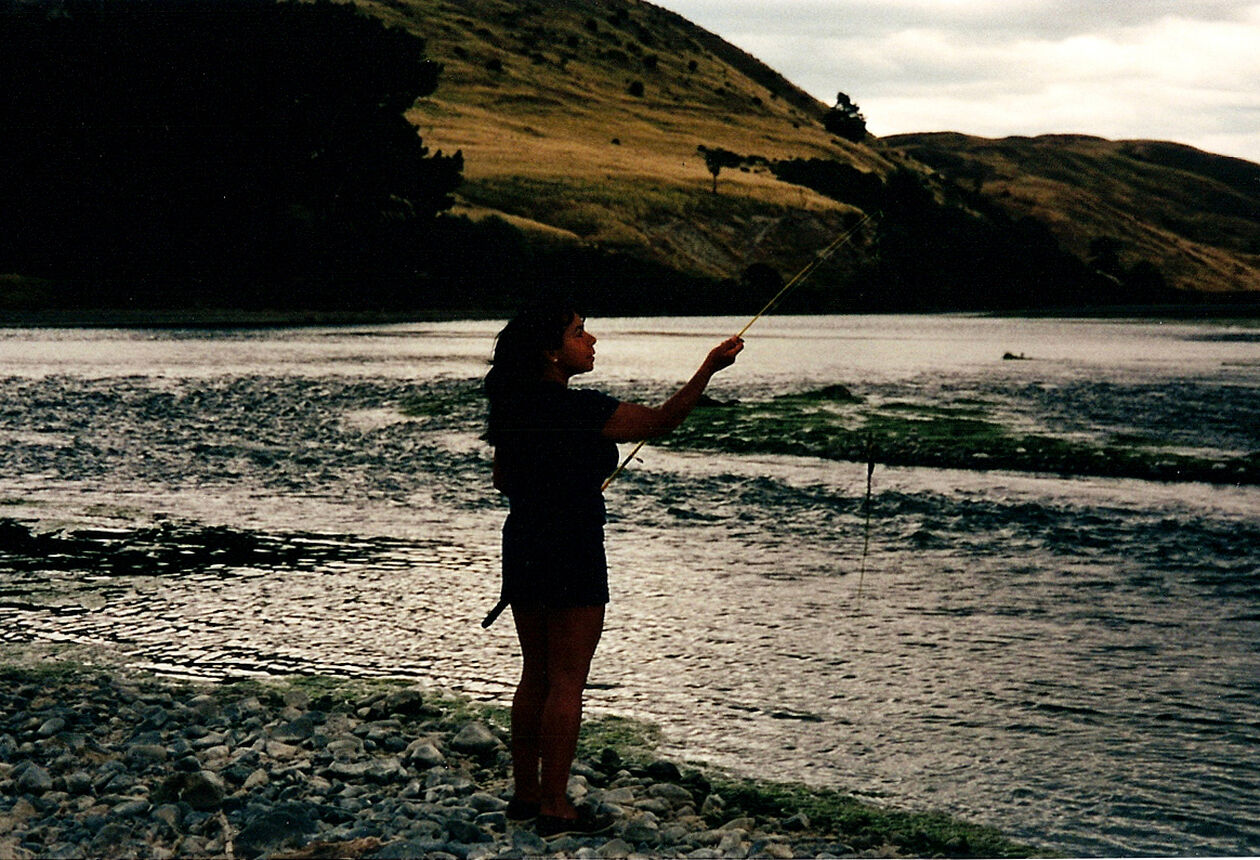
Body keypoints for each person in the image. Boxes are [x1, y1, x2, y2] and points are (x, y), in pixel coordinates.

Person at [483, 302, 743, 838]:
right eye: (579, 332)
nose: (592, 339)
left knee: (536, 672)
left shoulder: (512, 406)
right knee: (568, 681)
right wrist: (708, 368)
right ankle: (557, 807)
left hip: (524, 537)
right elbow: (663, 422)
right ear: (552, 351)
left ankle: (526, 798)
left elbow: (504, 481)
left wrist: (561, 479)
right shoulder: (581, 409)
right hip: (572, 541)